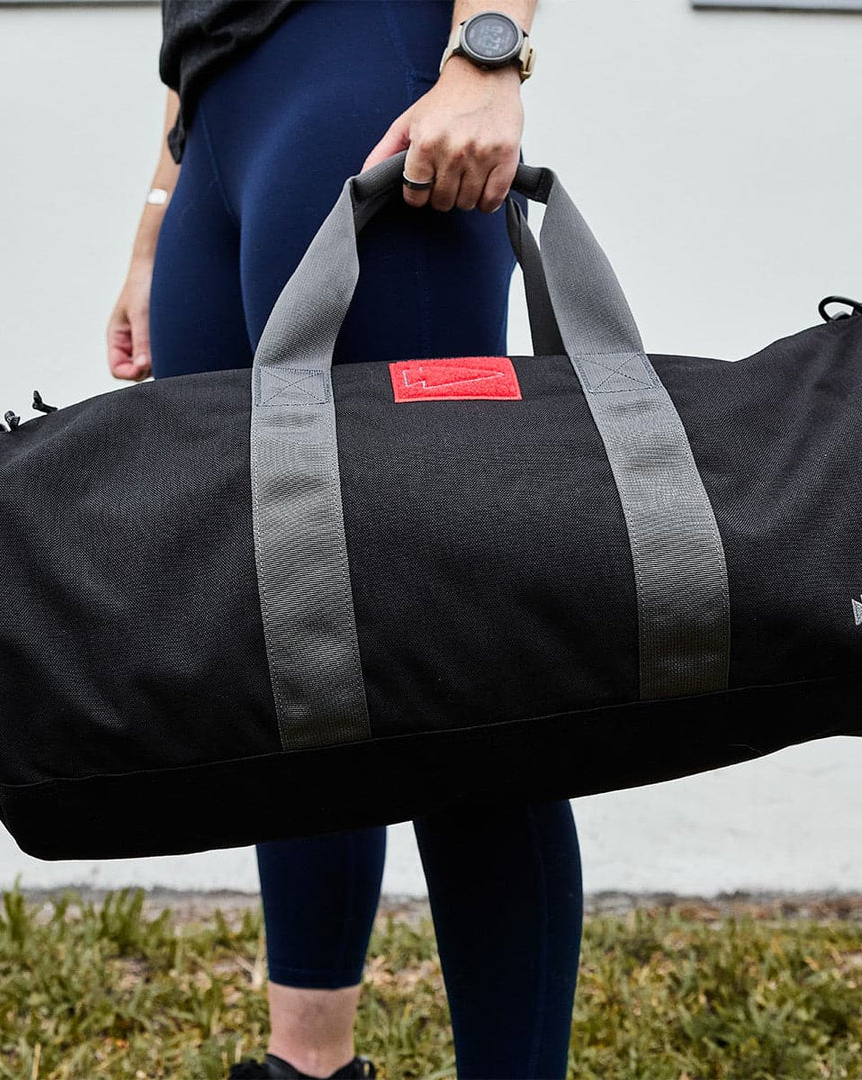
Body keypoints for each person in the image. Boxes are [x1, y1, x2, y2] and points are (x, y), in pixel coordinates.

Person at [105, 3, 583, 1078]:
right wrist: (157, 220)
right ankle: (307, 1068)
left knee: (453, 649)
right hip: (220, 130)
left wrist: (484, 56)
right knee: (286, 637)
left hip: (366, 77)